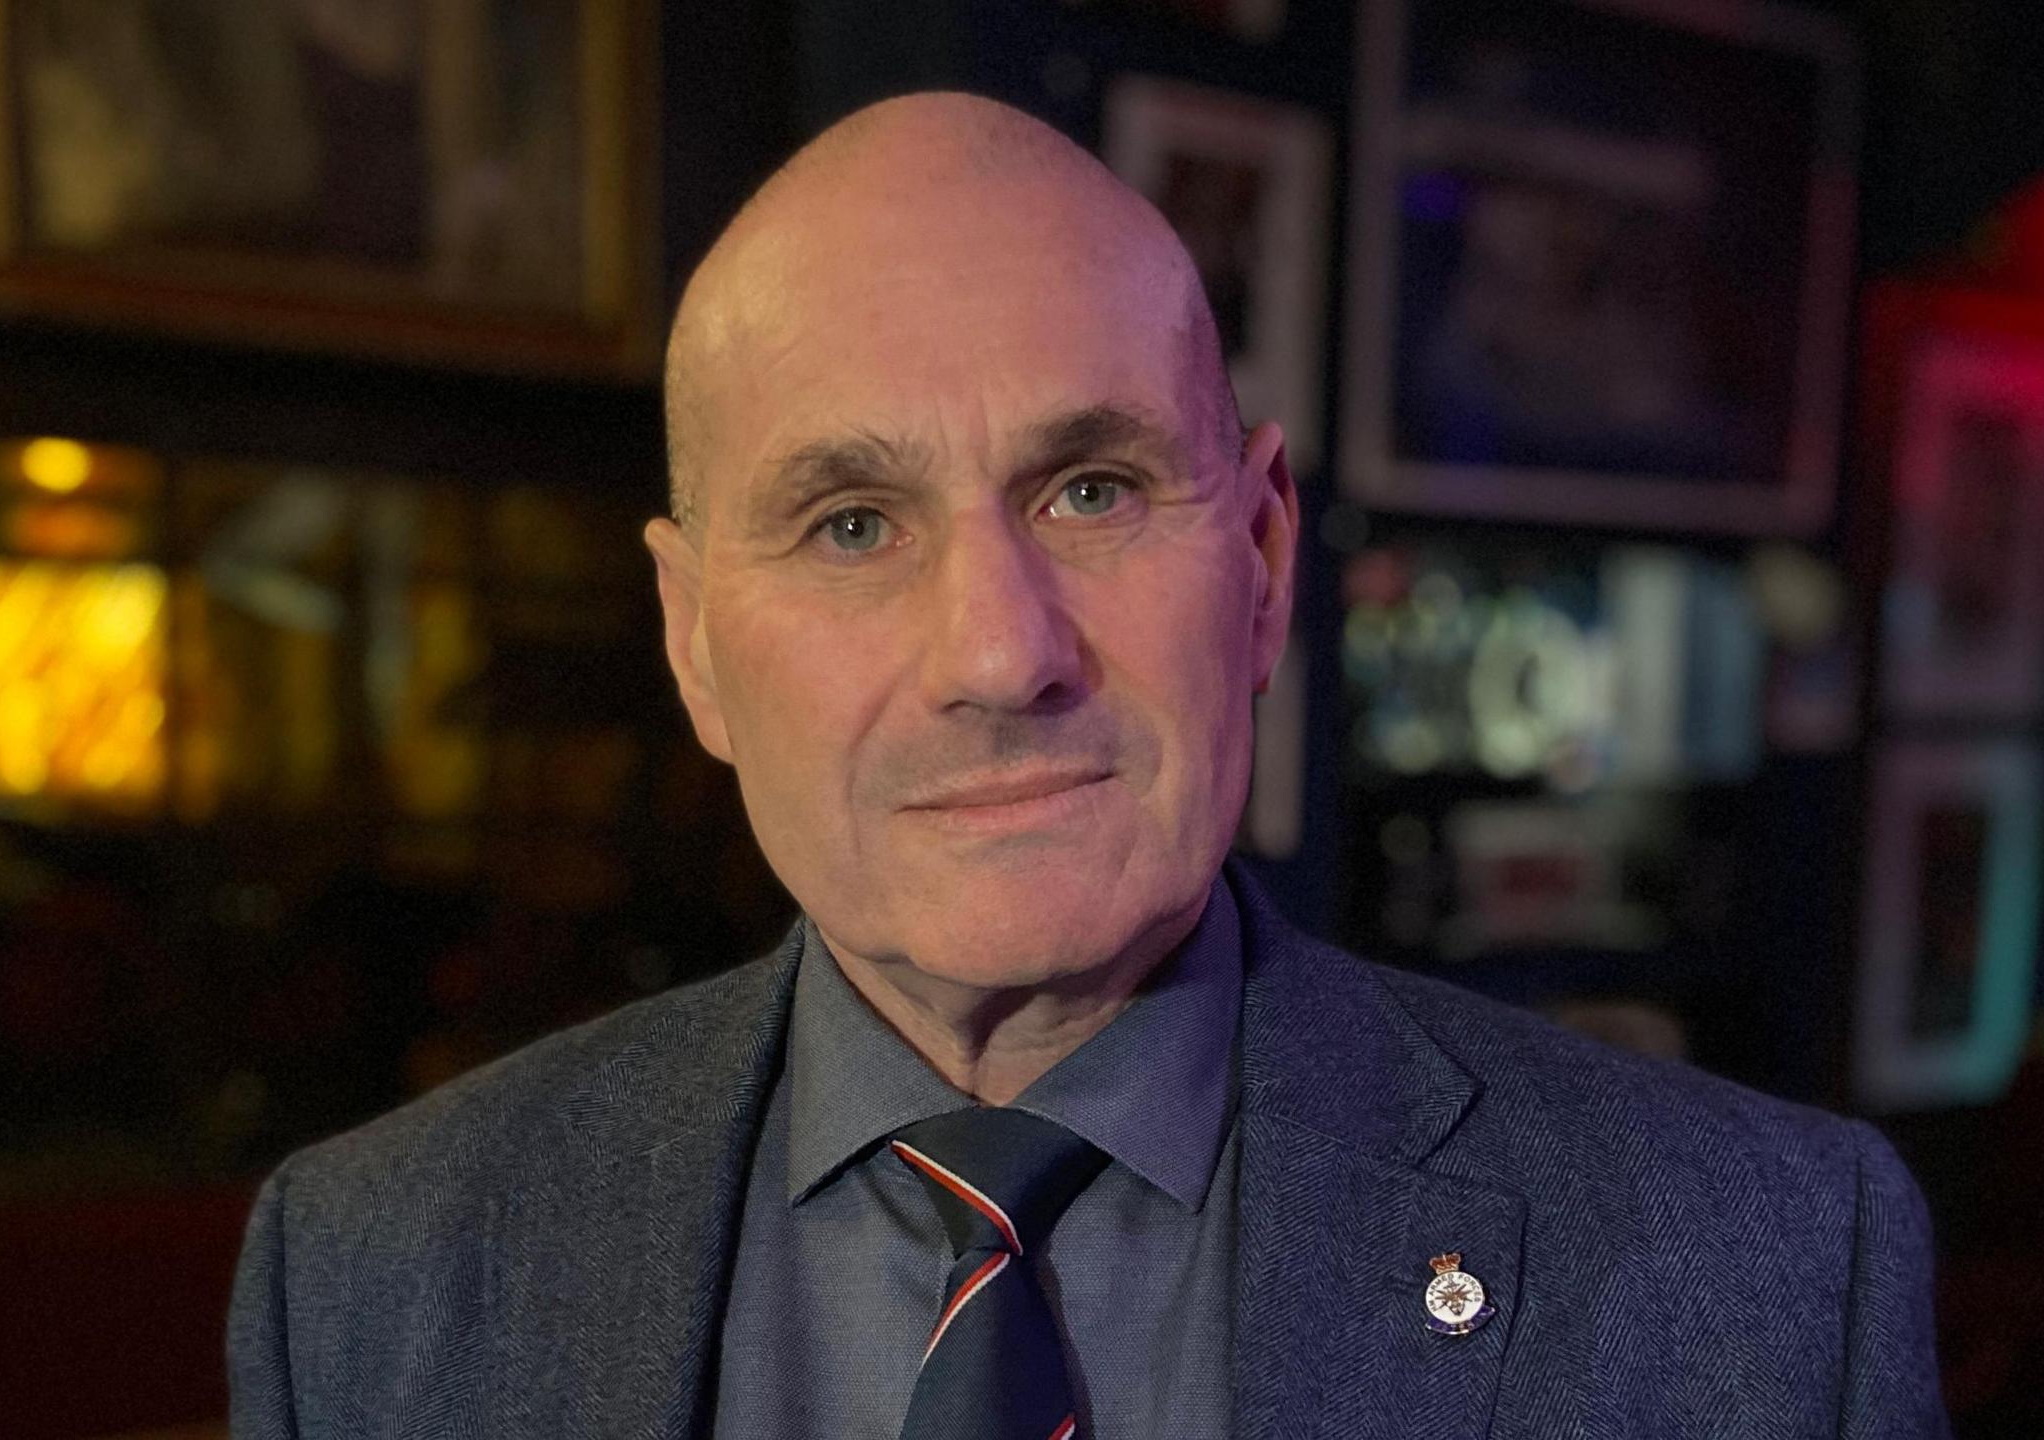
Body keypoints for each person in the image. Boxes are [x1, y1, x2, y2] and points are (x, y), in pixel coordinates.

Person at [227, 92, 1947, 1439]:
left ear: (1265, 564)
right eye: (848, 524)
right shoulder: (373, 1276)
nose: (1001, 653)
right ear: (692, 641)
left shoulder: (1772, 1276)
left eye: (1094, 491)